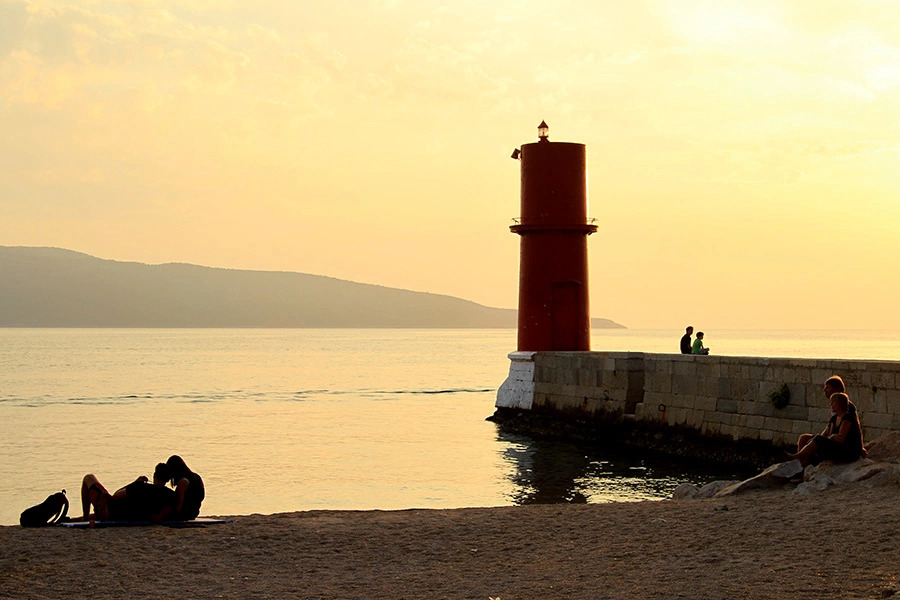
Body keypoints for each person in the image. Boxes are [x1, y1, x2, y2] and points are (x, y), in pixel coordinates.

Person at [796, 375, 867, 458]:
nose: (824, 390)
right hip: (830, 437)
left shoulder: (846, 407)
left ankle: (799, 458)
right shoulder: (835, 406)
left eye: (828, 388)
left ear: (837, 389)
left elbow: (854, 428)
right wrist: (818, 438)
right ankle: (801, 461)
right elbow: (829, 426)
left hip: (842, 444)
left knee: (816, 441)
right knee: (804, 438)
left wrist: (861, 447)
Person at [79, 463, 176, 523]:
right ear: (168, 479)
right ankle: (81, 518)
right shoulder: (169, 494)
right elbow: (160, 516)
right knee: (91, 516)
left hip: (111, 512)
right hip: (123, 516)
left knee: (88, 478)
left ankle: (85, 517)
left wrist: (134, 482)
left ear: (155, 475)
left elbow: (116, 495)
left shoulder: (140, 487)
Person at [788, 392, 864, 467]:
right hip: (837, 447)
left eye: (833, 402)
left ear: (840, 404)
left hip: (849, 452)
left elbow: (841, 438)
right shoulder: (834, 419)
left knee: (819, 439)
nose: (831, 405)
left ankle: (797, 457)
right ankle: (799, 467)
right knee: (812, 445)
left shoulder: (848, 418)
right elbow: (828, 436)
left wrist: (832, 437)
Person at [166, 455, 205, 521]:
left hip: (185, 514)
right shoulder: (196, 476)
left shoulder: (182, 482)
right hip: (194, 512)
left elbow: (178, 505)